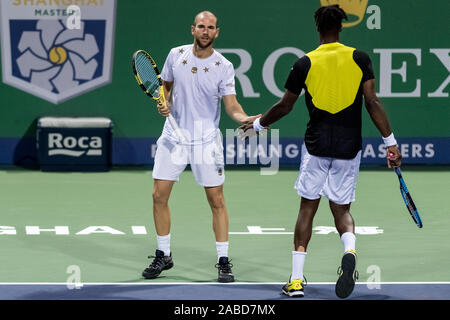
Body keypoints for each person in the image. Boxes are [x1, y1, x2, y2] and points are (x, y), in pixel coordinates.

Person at [239, 4, 402, 298]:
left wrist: (259, 124)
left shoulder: (304, 63)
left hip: (316, 147)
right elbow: (372, 102)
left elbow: (285, 105)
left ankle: (297, 280)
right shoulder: (360, 58)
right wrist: (390, 143)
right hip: (349, 147)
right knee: (342, 210)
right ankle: (350, 250)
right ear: (340, 27)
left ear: (318, 29)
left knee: (307, 209)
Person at [142, 10, 260, 283]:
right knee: (159, 195)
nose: (205, 31)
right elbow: (165, 88)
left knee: (216, 200)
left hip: (206, 140)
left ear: (217, 32)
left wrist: (244, 119)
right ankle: (164, 253)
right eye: (201, 27)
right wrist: (164, 101)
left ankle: (223, 259)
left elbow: (231, 105)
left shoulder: (224, 66)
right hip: (173, 136)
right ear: (192, 29)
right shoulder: (176, 55)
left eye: (210, 28)